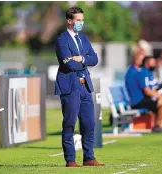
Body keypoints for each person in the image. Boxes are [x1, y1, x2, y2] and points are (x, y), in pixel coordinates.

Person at [55, 7, 104, 167]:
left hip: (85, 86)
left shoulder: (83, 38)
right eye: (78, 20)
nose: (81, 23)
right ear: (69, 21)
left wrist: (82, 58)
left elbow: (94, 59)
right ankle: (70, 160)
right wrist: (82, 62)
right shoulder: (62, 40)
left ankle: (89, 158)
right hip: (70, 86)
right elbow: (68, 63)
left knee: (89, 123)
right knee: (69, 123)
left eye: (82, 20)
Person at [125, 53, 162, 133]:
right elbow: (146, 90)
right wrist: (160, 96)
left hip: (142, 98)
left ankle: (160, 125)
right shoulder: (138, 72)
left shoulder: (140, 71)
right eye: (140, 59)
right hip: (138, 100)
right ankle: (157, 126)